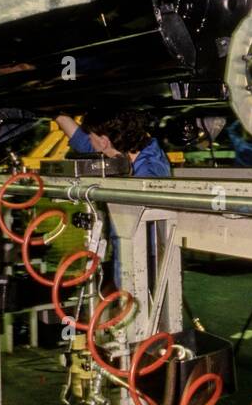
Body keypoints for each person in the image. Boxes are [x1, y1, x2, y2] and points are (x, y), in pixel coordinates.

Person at [54, 109, 170, 287]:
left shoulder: (149, 173)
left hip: (147, 257)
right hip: (125, 252)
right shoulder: (129, 148)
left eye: (92, 137)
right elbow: (83, 141)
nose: (90, 143)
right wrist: (58, 114)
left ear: (104, 141)